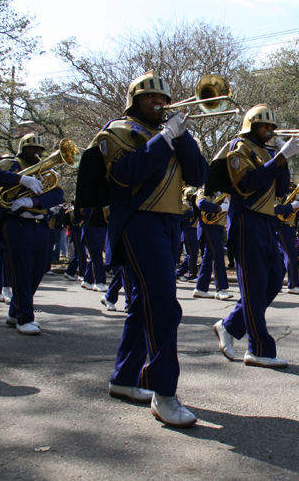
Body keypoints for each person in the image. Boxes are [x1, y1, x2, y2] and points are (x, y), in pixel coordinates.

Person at [82, 70, 208, 427]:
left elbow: (198, 176)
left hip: (171, 222)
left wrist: (181, 138)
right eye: (152, 98)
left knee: (144, 303)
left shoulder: (171, 133)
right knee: (164, 304)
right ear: (135, 100)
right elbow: (125, 174)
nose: (160, 104)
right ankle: (164, 392)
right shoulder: (118, 131)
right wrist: (165, 138)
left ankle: (124, 379)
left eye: (164, 99)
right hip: (138, 219)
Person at [211, 104, 299, 368]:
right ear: (252, 125)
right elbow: (248, 184)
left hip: (266, 220)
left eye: (272, 126)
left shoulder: (268, 151)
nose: (270, 131)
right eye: (265, 126)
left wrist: (284, 159)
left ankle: (229, 326)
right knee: (254, 286)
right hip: (246, 218)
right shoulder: (239, 148)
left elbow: (282, 189)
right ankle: (258, 349)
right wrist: (280, 157)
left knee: (274, 279)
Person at [0, 133, 65, 335]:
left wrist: (32, 202)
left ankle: (14, 312)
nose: (38, 153)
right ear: (22, 149)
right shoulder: (9, 164)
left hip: (40, 224)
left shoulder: (47, 171)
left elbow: (58, 194)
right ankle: (25, 318)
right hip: (17, 223)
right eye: (33, 149)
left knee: (40, 268)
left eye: (41, 150)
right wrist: (21, 179)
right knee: (22, 270)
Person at [193, 190, 232, 300]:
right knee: (218, 255)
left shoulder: (222, 193)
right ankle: (221, 289)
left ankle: (200, 288)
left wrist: (228, 204)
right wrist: (220, 208)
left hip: (218, 227)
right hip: (209, 227)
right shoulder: (205, 190)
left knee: (208, 258)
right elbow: (201, 204)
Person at [275, 189, 299, 295]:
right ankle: (293, 285)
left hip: (290, 227)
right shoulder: (276, 194)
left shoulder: (289, 195)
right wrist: (292, 206)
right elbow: (275, 209)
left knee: (283, 257)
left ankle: (276, 284)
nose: (290, 186)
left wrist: (298, 203)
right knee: (290, 255)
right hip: (282, 226)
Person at [176, 187, 200, 283]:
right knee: (191, 253)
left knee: (192, 253)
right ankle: (192, 274)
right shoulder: (185, 204)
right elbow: (183, 214)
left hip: (196, 229)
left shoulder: (195, 203)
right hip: (189, 229)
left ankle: (180, 273)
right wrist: (195, 210)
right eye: (191, 194)